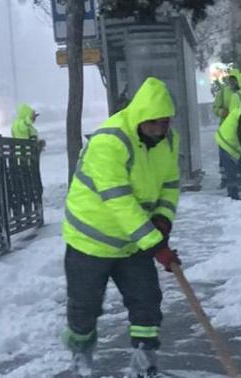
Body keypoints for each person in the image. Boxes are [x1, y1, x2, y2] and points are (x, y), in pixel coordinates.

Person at [61, 77, 182, 378]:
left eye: (164, 124)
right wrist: (156, 244)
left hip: (133, 242)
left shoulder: (168, 140)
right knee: (85, 306)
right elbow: (119, 201)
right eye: (152, 124)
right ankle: (81, 355)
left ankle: (145, 360)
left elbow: (170, 184)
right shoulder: (109, 142)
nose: (158, 131)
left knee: (147, 300)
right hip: (91, 240)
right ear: (139, 117)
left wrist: (163, 221)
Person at [213, 69, 240, 188]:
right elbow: (215, 108)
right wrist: (221, 112)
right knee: (224, 154)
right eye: (230, 79)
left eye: (234, 79)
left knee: (238, 153)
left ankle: (239, 176)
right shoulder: (223, 93)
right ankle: (225, 179)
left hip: (240, 128)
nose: (232, 81)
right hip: (225, 129)